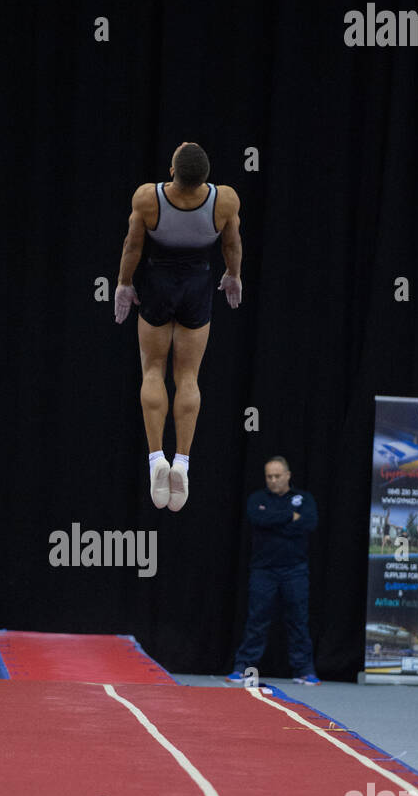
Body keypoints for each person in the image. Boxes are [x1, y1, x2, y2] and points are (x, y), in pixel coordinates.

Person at [114, 141, 242, 511]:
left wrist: (124, 283)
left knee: (153, 370)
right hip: (198, 284)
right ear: (206, 177)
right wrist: (233, 276)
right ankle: (182, 461)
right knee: (188, 376)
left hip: (158, 282)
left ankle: (157, 458)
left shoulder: (147, 199)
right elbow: (232, 244)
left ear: (172, 171)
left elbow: (132, 246)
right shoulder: (225, 200)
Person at [228, 456, 320, 684]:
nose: (273, 480)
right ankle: (243, 667)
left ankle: (304, 670)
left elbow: (308, 523)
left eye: (277, 476)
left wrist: (274, 523)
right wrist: (289, 516)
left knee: (298, 620)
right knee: (257, 619)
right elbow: (258, 519)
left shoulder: (304, 499)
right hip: (263, 570)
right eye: (269, 476)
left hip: (295, 569)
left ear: (288, 475)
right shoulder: (257, 498)